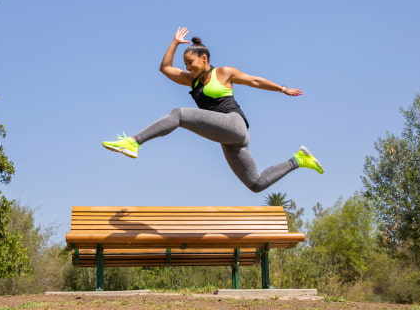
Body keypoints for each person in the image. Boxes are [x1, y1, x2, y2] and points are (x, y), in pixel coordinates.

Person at [102, 27, 323, 193]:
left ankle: (134, 142)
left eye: (190, 62)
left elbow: (255, 81)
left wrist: (283, 89)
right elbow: (165, 68)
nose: (188, 68)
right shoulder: (192, 80)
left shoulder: (224, 72)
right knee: (256, 183)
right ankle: (299, 160)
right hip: (231, 140)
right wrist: (175, 43)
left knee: (178, 114)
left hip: (234, 125)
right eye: (186, 64)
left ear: (204, 58)